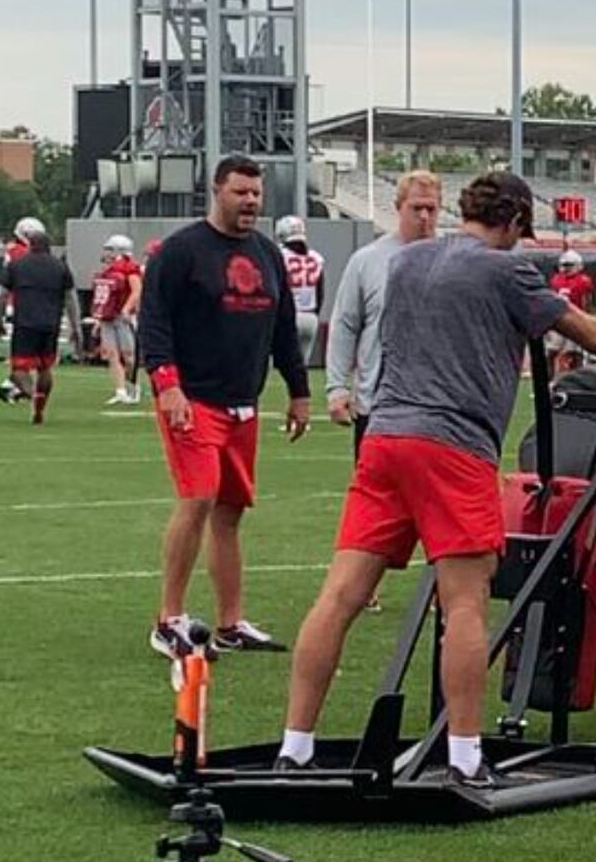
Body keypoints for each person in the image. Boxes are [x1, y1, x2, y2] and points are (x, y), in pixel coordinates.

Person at [276, 172, 596, 786]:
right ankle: (466, 756)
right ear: (514, 221)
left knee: (340, 595)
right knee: (464, 600)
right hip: (452, 445)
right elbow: (591, 335)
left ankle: (295, 744)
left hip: (384, 437)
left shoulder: (406, 262)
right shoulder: (506, 269)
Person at [138, 155, 312, 658]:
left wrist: (298, 391)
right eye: (240, 192)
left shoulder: (267, 253)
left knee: (231, 512)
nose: (250, 201)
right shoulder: (182, 250)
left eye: (256, 193)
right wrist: (167, 385)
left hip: (244, 402)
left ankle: (230, 623)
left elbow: (282, 328)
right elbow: (154, 321)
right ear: (218, 191)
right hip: (194, 399)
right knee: (198, 498)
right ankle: (168, 619)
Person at [326, 170, 443, 455]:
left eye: (431, 208)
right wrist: (337, 388)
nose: (425, 217)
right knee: (376, 494)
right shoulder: (368, 260)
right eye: (417, 208)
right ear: (398, 207)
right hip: (378, 405)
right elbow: (345, 324)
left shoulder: (454, 260)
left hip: (438, 406)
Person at [0, 227, 80, 425]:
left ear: (30, 245)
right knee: (45, 368)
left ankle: (32, 396)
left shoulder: (17, 265)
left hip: (25, 323)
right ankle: (40, 408)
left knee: (20, 369)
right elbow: (71, 300)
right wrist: (76, 328)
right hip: (51, 325)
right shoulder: (60, 267)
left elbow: (1, 296)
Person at [0, 217, 44, 405]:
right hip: (21, 307)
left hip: (22, 306)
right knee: (24, 356)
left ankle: (8, 388)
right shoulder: (20, 253)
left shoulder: (16, 251)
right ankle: (29, 394)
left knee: (26, 355)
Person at [92, 234, 144, 405]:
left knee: (129, 356)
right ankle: (120, 391)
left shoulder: (129, 268)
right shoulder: (108, 270)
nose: (106, 253)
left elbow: (137, 291)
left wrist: (126, 309)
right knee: (112, 355)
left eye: (109, 249)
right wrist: (99, 319)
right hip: (108, 316)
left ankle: (132, 386)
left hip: (124, 317)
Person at [276, 215, 326, 364]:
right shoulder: (316, 258)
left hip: (288, 316)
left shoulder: (279, 256)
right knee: (301, 368)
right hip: (310, 316)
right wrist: (315, 315)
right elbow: (320, 292)